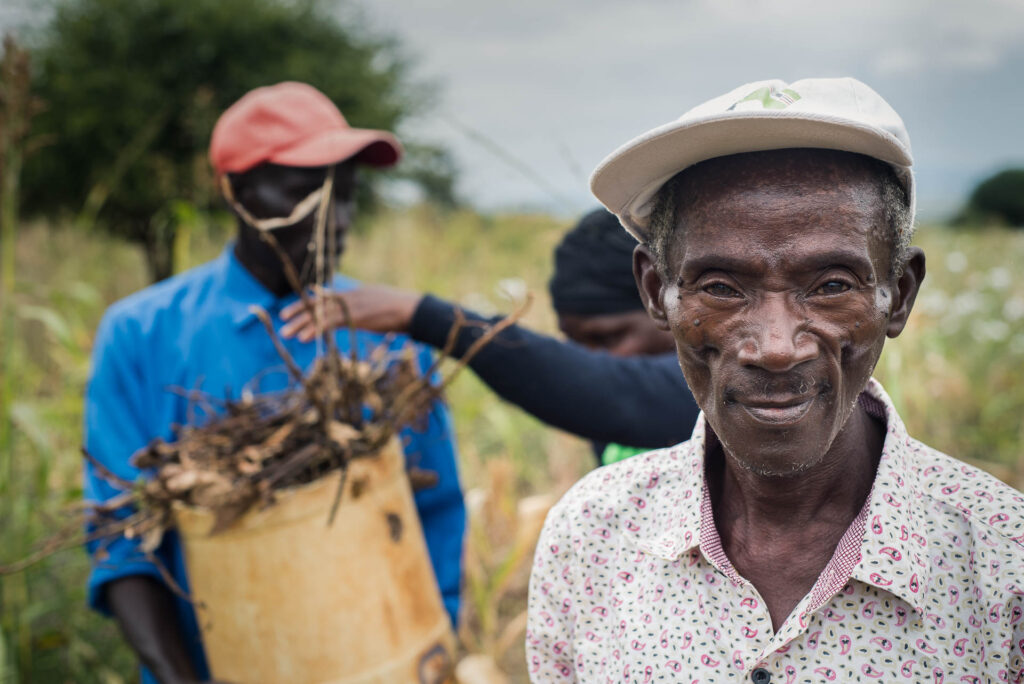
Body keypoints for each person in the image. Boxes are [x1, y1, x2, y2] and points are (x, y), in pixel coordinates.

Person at [526, 78, 1024, 682]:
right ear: (658, 293)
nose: (776, 348)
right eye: (720, 287)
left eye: (832, 285)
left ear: (900, 295)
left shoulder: (1004, 567)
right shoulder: (591, 535)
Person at [83, 82, 465, 684]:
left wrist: (424, 648)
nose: (334, 220)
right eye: (303, 194)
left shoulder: (388, 337)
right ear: (234, 193)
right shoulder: (143, 333)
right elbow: (121, 536)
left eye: (347, 194)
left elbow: (435, 509)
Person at [280, 208, 698, 464]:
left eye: (608, 338)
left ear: (662, 304)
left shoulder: (722, 393)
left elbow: (613, 390)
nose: (591, 359)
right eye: (574, 342)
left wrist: (424, 316)